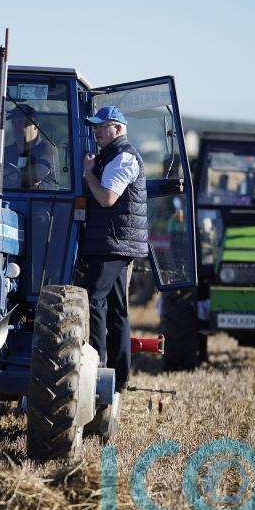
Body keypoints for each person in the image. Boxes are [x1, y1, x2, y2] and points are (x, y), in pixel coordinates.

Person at [80, 106, 148, 393]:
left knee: (93, 300)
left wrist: (87, 174)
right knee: (117, 310)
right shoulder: (112, 156)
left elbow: (107, 198)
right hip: (116, 241)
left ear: (118, 129)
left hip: (113, 243)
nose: (96, 130)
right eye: (95, 126)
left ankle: (97, 370)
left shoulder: (124, 158)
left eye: (102, 126)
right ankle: (119, 379)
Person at [3, 104, 59, 190]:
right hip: (7, 199)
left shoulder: (47, 147)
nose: (17, 127)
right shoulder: (6, 151)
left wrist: (7, 176)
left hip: (40, 201)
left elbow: (36, 175)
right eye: (14, 123)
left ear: (36, 125)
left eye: (22, 123)